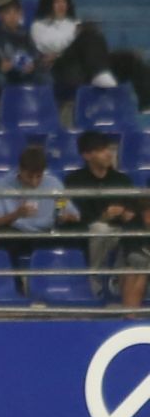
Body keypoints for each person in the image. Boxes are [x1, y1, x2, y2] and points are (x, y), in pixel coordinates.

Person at [64, 130, 150, 310]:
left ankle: (116, 281)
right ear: (87, 155)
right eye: (101, 150)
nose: (108, 153)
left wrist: (127, 213)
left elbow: (135, 209)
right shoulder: (74, 180)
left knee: (131, 238)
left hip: (121, 232)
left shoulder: (122, 180)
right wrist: (104, 216)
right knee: (100, 228)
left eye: (108, 149)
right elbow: (74, 215)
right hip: (89, 232)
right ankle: (96, 278)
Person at [0, 144, 77, 274]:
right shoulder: (2, 185)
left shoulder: (54, 184)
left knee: (71, 236)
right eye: (29, 177)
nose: (34, 182)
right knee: (6, 238)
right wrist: (16, 214)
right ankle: (14, 283)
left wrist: (65, 215)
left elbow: (66, 209)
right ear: (20, 170)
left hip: (46, 232)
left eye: (39, 177)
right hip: (18, 232)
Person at [30, 0, 114, 94]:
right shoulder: (38, 26)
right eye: (56, 1)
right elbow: (50, 45)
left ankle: (144, 104)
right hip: (61, 69)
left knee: (128, 58)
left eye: (64, 1)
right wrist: (75, 34)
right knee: (87, 34)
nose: (61, 5)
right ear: (48, 3)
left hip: (82, 65)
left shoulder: (75, 24)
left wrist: (60, 52)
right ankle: (99, 74)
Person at [0, 0, 43, 99]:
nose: (13, 17)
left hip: (22, 73)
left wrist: (32, 65)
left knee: (43, 77)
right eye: (8, 13)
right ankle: (6, 105)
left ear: (20, 14)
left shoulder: (25, 34)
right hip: (4, 73)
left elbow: (36, 55)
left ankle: (38, 106)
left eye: (16, 12)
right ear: (0, 15)